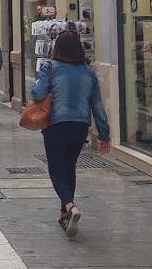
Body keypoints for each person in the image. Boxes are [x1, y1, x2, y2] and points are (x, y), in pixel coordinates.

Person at [29, 30, 111, 238]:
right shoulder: (89, 73)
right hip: (80, 126)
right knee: (69, 167)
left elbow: (37, 93)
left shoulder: (51, 68)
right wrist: (104, 134)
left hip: (56, 125)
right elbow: (98, 106)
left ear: (57, 48)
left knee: (56, 169)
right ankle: (65, 215)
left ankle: (69, 205)